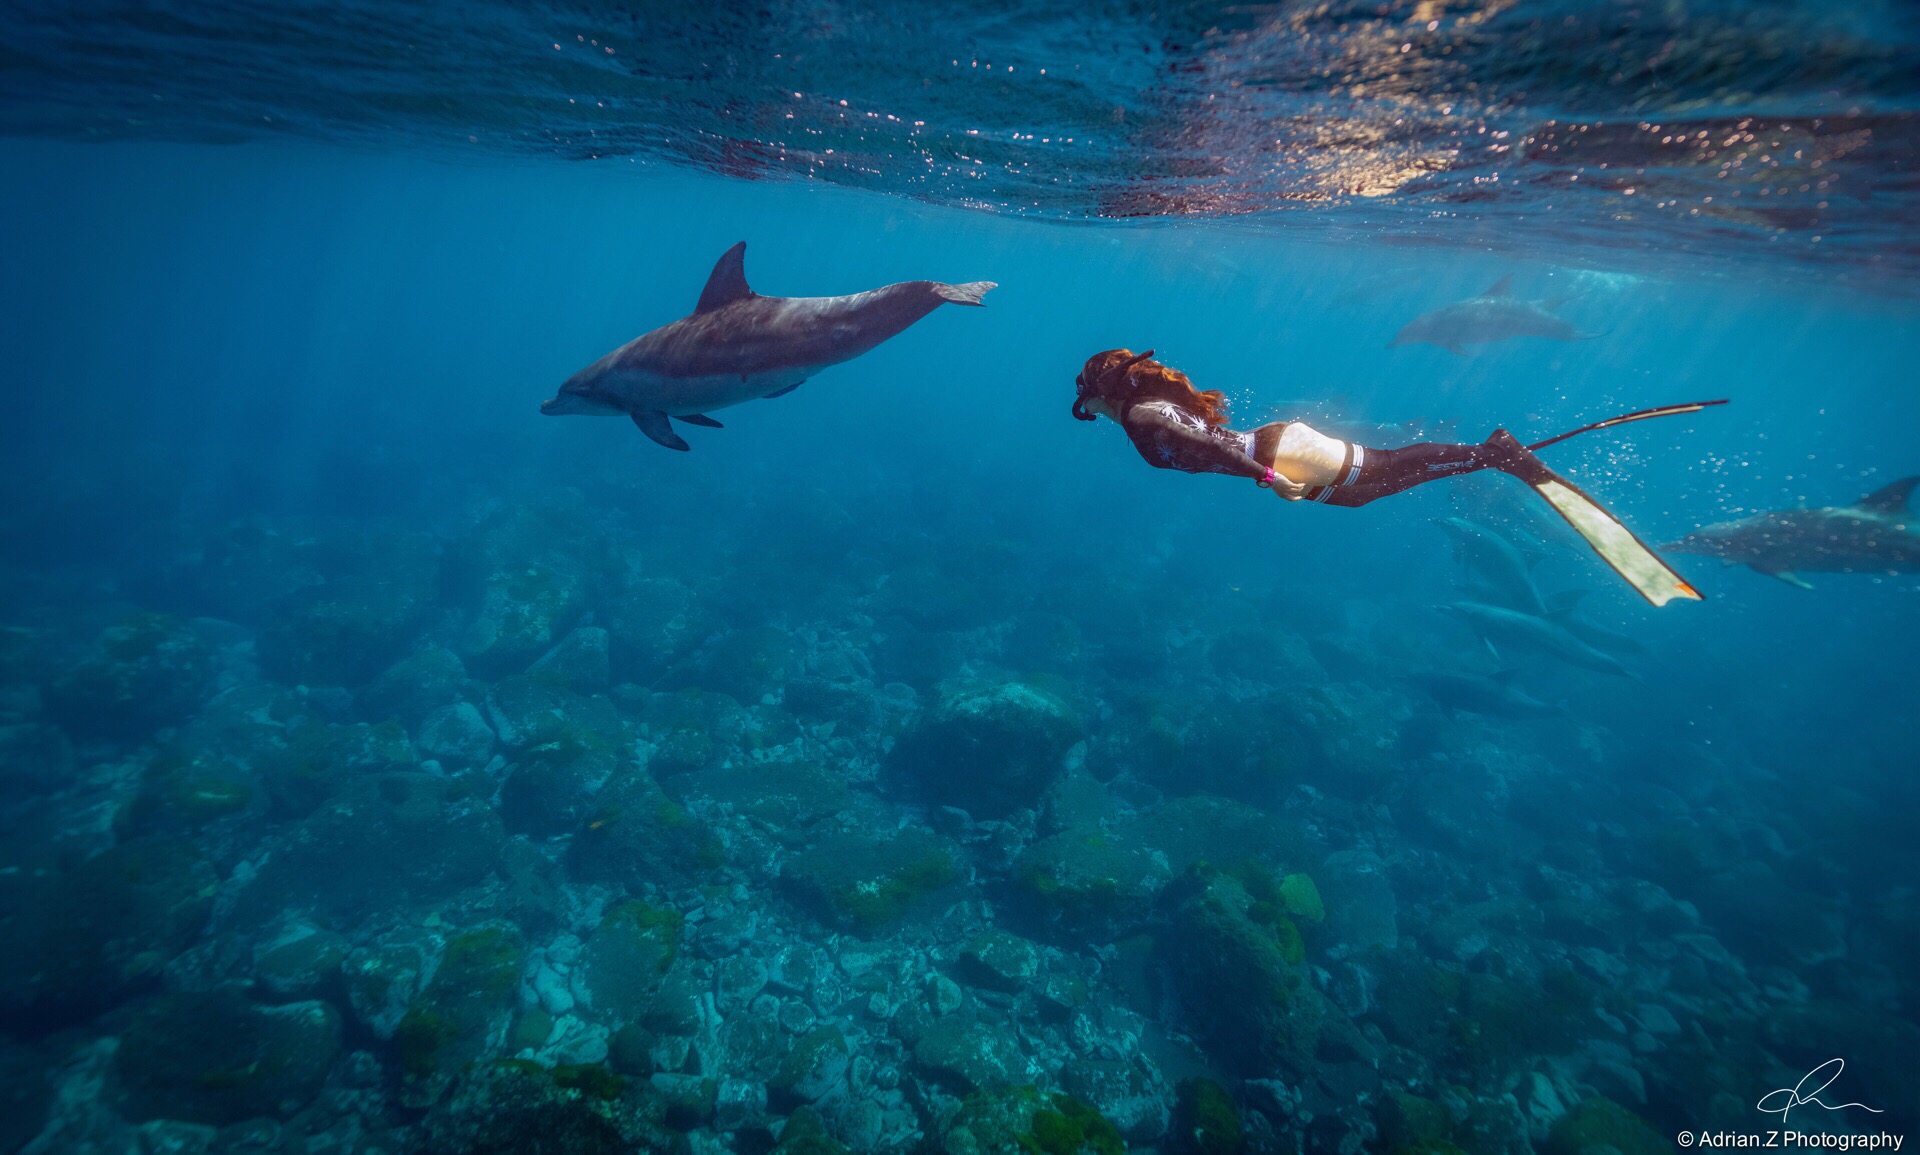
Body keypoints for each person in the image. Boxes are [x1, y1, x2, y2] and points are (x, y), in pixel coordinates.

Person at [1071, 348, 1719, 607]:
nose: (1082, 402)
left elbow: (1201, 437)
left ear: (1102, 386)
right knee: (1370, 488)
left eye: (1084, 389)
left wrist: (1269, 475)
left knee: (1380, 472)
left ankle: (1493, 452)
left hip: (1280, 452)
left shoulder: (1145, 410)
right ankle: (1489, 455)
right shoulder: (1132, 415)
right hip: (1277, 453)